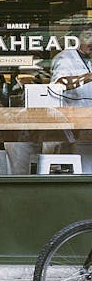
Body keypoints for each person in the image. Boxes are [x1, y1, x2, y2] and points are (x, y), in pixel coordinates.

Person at [49, 23, 92, 173]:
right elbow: (59, 84)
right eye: (88, 36)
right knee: (82, 168)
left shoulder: (89, 59)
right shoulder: (65, 58)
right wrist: (88, 77)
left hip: (89, 123)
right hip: (74, 123)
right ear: (76, 38)